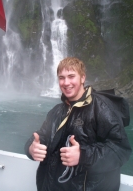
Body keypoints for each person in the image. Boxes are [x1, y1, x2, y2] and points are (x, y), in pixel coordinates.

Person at [24, 57, 132, 191]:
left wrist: (83, 155)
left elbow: (120, 150)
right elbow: (41, 137)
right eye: (61, 78)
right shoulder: (56, 111)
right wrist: (31, 148)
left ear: (82, 78)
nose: (66, 82)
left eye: (71, 76)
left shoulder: (101, 108)